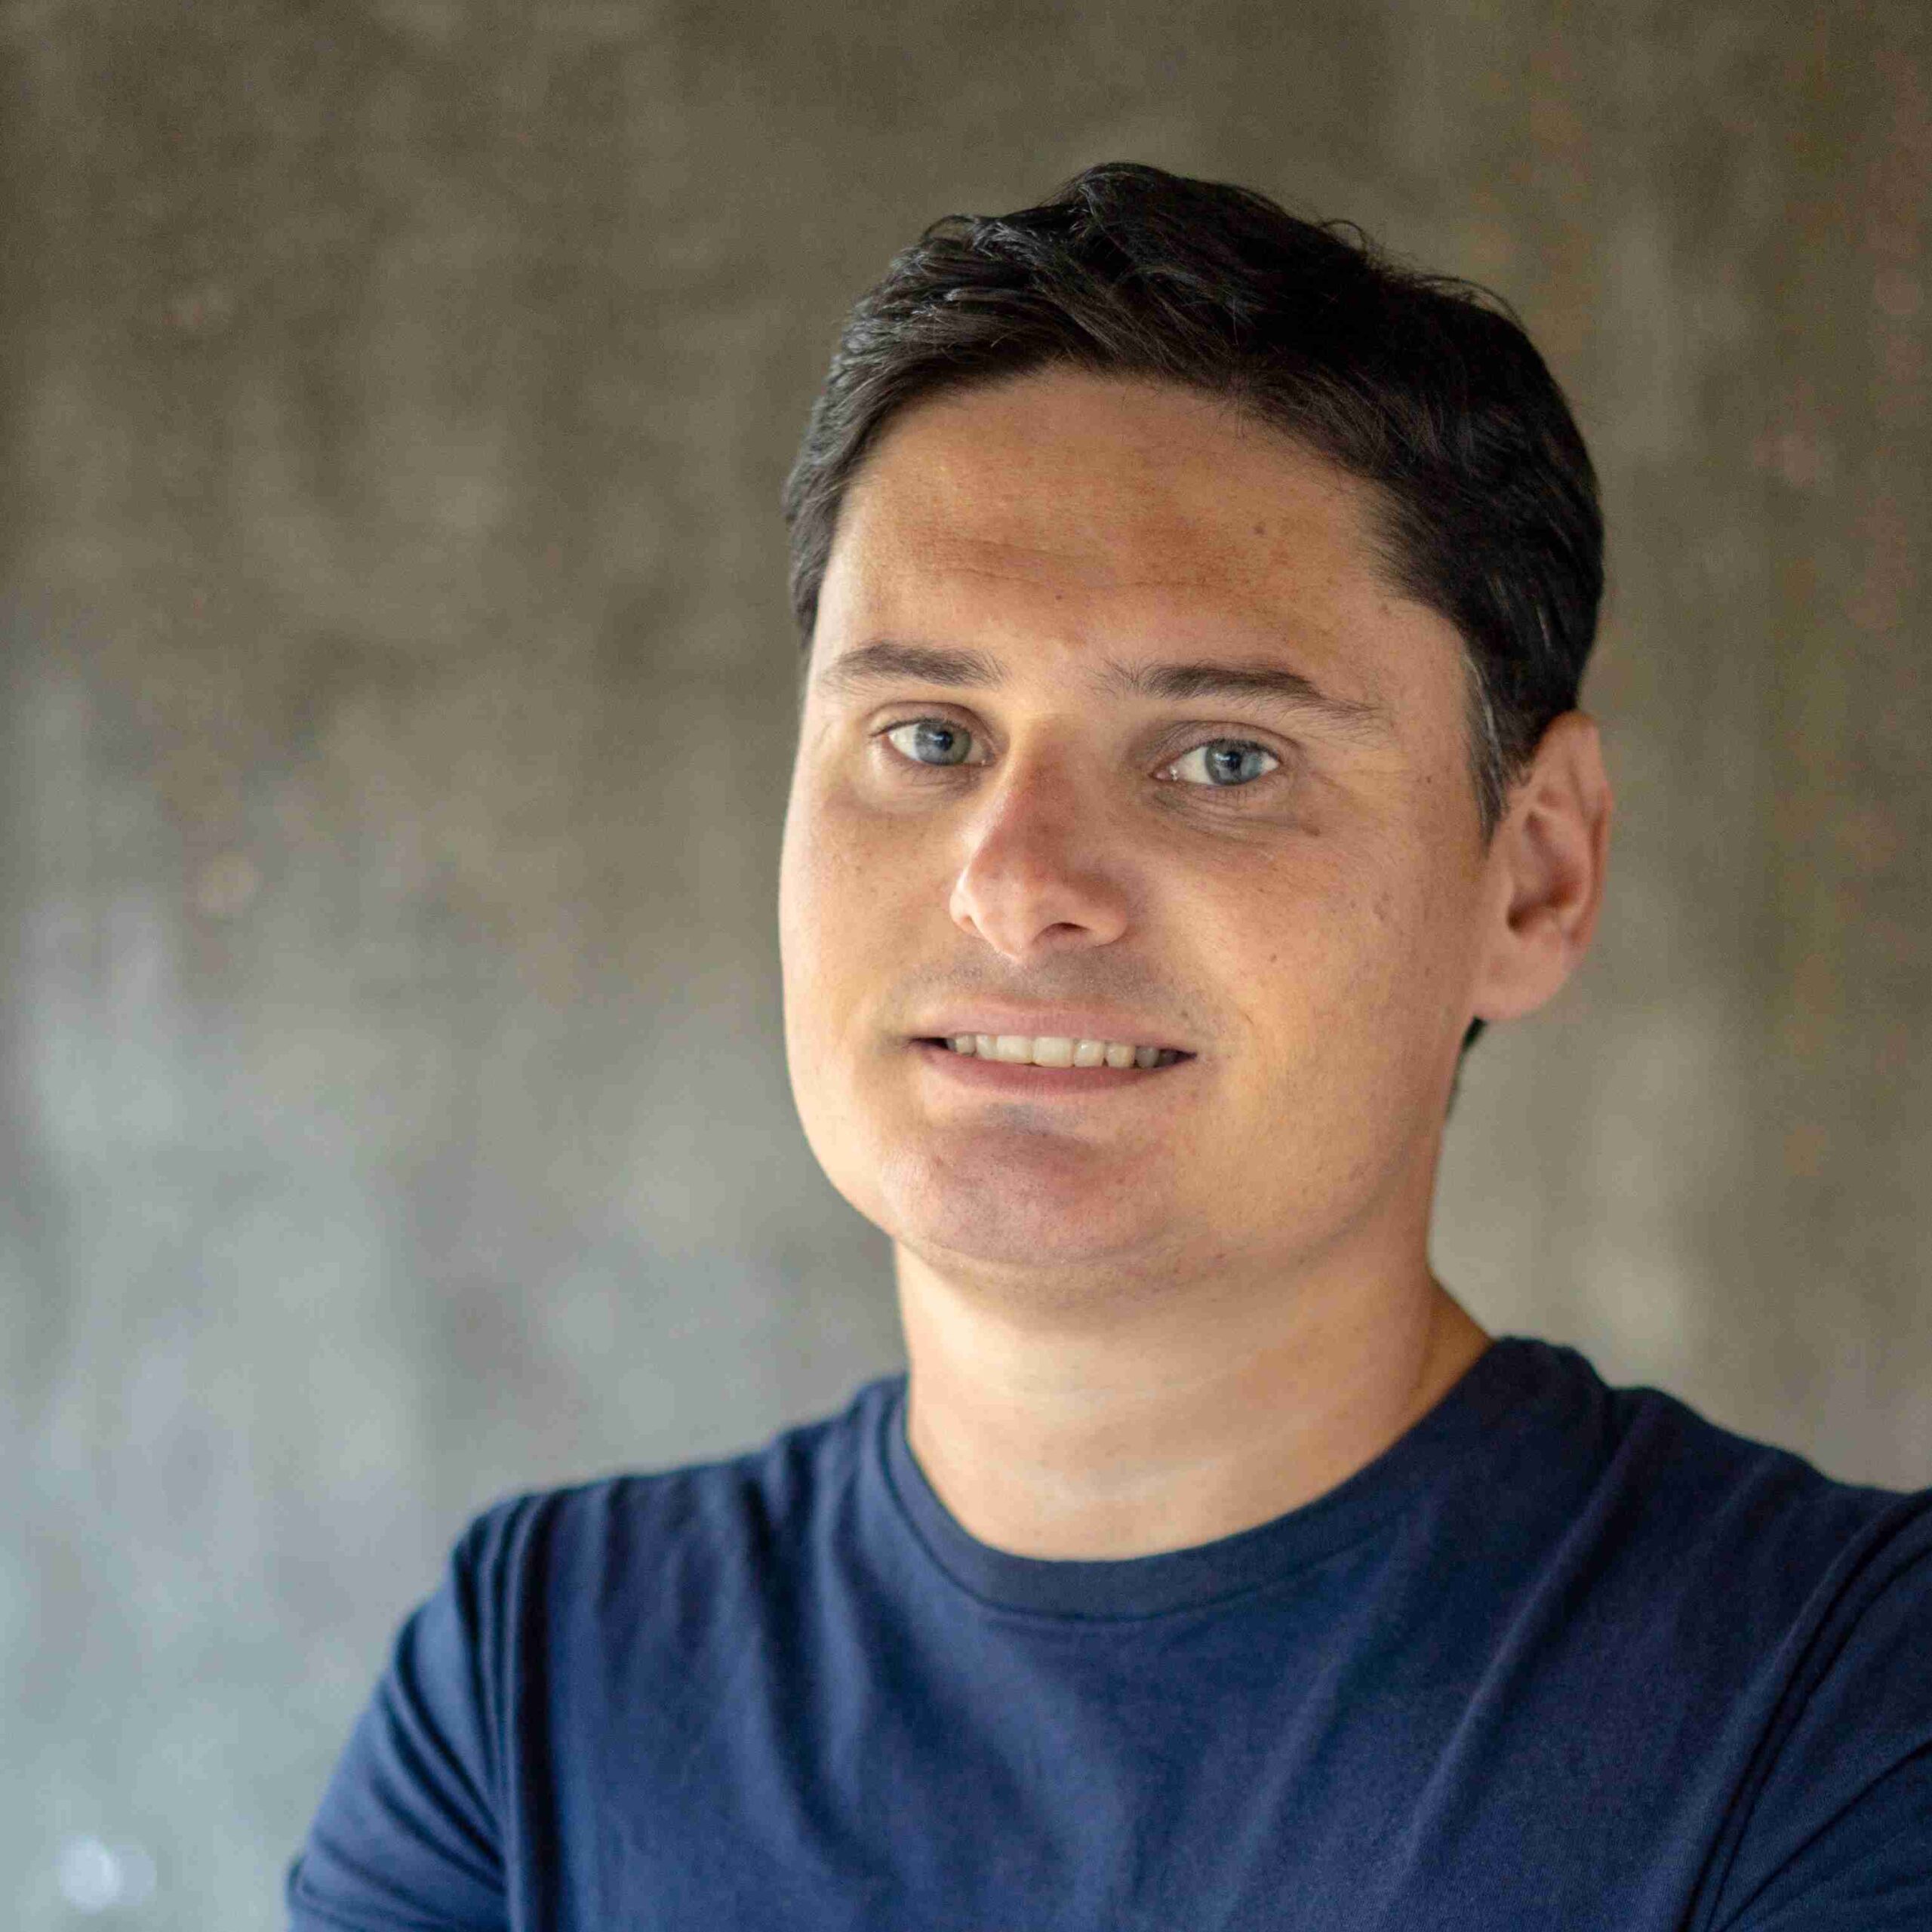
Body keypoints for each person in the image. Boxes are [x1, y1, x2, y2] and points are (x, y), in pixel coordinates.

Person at [286, 163, 1932, 1929]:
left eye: (1221, 757)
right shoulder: (533, 1683)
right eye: (927, 734)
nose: (1014, 883)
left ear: (1530, 875)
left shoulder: (1843, 1705)